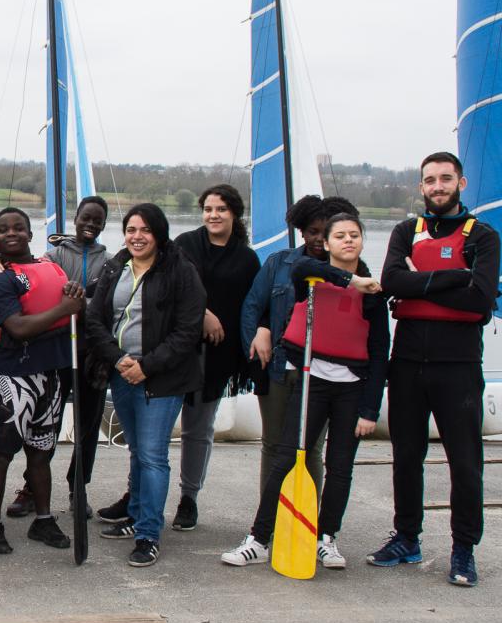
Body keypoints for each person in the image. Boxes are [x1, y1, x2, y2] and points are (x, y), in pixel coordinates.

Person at [222, 214, 388, 570]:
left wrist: (370, 410)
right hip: (314, 384)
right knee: (285, 459)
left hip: (351, 389)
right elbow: (302, 268)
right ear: (326, 243)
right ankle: (259, 539)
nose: (348, 240)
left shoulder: (374, 294)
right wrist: (351, 280)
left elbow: (379, 353)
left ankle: (325, 538)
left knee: (340, 467)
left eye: (354, 235)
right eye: (340, 236)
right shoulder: (309, 278)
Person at [370, 151, 499, 587]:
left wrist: (418, 286)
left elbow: (480, 300)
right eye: (430, 180)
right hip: (407, 363)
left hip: (458, 366)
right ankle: (407, 538)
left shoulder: (483, 237)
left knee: (465, 463)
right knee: (406, 457)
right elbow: (392, 282)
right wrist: (454, 277)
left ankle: (463, 549)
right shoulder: (406, 231)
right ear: (421, 186)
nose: (437, 186)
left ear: (461, 184)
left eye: (445, 179)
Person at [97, 185, 260, 531]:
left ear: (234, 214)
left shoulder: (246, 259)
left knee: (196, 430)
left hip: (213, 355)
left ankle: (188, 498)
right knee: (144, 445)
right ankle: (136, 500)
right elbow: (172, 292)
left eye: (221, 209)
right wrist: (204, 314)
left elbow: (251, 305)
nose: (213, 215)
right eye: (208, 209)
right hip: (161, 355)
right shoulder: (185, 244)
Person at [85, 203, 205, 567]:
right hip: (122, 372)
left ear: (159, 233)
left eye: (145, 230)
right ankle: (136, 515)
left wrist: (146, 366)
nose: (137, 237)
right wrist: (118, 359)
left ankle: (148, 534)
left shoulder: (180, 271)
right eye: (131, 230)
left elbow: (188, 331)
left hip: (162, 380)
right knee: (137, 451)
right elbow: (95, 319)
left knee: (153, 456)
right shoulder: (116, 266)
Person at [238, 195, 359, 499]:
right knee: (273, 445)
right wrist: (255, 350)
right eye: (312, 231)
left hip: (321, 374)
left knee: (310, 448)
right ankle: (269, 517)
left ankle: (307, 518)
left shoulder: (349, 271)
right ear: (301, 231)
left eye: (324, 231)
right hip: (277, 368)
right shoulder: (278, 262)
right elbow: (252, 306)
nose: (318, 238)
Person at [0, 207, 83, 554]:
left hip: (52, 374)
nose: (11, 233)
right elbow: (18, 328)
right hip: (15, 377)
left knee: (41, 454)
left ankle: (43, 520)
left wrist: (76, 299)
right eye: (3, 229)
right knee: (3, 452)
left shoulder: (53, 268)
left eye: (18, 227)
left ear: (30, 233)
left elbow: (74, 310)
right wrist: (64, 309)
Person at [8, 196, 110, 519]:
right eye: (85, 218)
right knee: (45, 424)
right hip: (58, 351)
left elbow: (104, 304)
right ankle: (31, 487)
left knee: (87, 426)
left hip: (92, 354)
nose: (90, 225)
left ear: (103, 225)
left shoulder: (109, 262)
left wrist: (84, 302)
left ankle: (78, 487)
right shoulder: (53, 256)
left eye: (97, 221)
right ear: (76, 219)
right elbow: (45, 293)